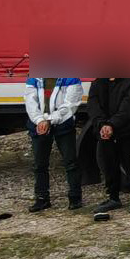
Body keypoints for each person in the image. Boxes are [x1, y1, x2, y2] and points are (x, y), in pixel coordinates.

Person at [24, 75, 85, 212]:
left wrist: (50, 120)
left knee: (71, 162)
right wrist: (40, 120)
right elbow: (30, 102)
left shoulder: (71, 78)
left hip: (63, 125)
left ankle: (75, 198)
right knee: (39, 164)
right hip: (39, 125)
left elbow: (71, 105)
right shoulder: (34, 78)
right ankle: (42, 199)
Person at [88, 77, 130, 213]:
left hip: (126, 132)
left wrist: (112, 124)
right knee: (109, 165)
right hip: (105, 132)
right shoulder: (97, 83)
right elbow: (93, 107)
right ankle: (114, 198)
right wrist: (102, 125)